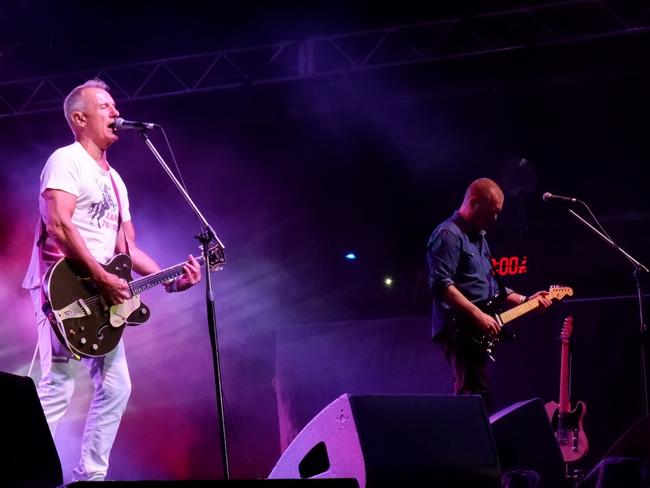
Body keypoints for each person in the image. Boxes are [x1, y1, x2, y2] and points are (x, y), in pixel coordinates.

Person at [22, 79, 202, 481]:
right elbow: (58, 225)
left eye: (115, 105)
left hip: (100, 295)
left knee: (117, 387)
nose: (116, 113)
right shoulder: (65, 160)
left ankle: (90, 477)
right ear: (79, 118)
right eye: (105, 106)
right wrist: (100, 276)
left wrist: (169, 279)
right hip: (63, 287)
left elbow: (128, 249)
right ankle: (22, 474)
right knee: (58, 388)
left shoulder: (116, 181)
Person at [427, 177, 552, 412]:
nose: (494, 219)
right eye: (491, 212)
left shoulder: (480, 238)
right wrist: (478, 315)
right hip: (459, 329)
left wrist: (527, 301)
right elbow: (441, 286)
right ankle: (468, 446)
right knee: (474, 394)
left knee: (479, 394)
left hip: (474, 328)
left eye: (498, 213)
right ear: (473, 203)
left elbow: (493, 288)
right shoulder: (448, 235)